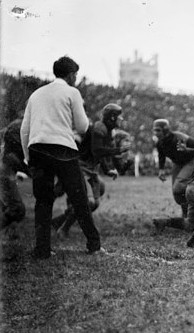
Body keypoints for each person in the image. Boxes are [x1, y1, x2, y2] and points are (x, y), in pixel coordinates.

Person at [20, 56, 102, 258]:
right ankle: (94, 245)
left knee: (43, 201)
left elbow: (24, 129)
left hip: (37, 148)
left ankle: (42, 249)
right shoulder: (72, 91)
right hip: (63, 149)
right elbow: (83, 127)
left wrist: (27, 157)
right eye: (76, 74)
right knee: (80, 198)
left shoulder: (36, 94)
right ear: (71, 74)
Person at [53, 103, 130, 237]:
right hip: (80, 167)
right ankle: (63, 229)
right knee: (89, 201)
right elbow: (97, 151)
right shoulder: (99, 128)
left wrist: (107, 170)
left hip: (91, 169)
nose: (121, 119)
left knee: (95, 200)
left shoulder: (109, 131)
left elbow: (100, 155)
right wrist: (118, 150)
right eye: (119, 116)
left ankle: (58, 222)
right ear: (112, 117)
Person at [153, 119, 194, 221]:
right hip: (178, 163)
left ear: (165, 130)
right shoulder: (159, 143)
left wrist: (187, 149)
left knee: (179, 186)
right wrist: (161, 170)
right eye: (154, 130)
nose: (155, 133)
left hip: (190, 161)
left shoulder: (179, 137)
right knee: (176, 194)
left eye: (158, 130)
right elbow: (161, 155)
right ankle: (187, 214)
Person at [0, 117, 27, 229]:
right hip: (5, 172)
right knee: (17, 209)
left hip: (6, 171)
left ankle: (11, 232)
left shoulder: (17, 125)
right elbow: (13, 157)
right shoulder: (19, 127)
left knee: (12, 209)